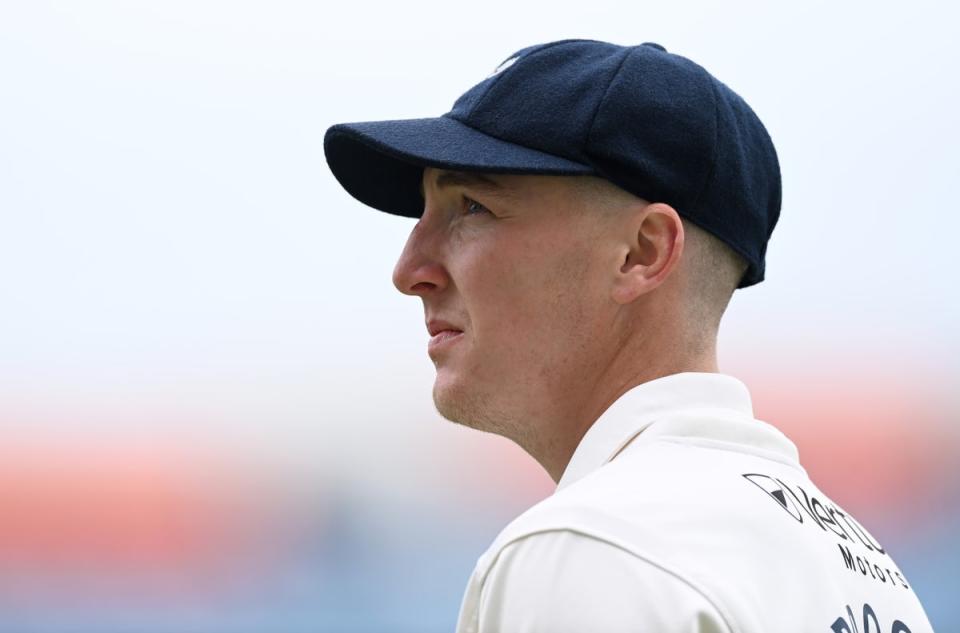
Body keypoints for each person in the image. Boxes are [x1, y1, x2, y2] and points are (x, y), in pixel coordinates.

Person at [324, 39, 934, 633]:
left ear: (641, 252)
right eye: (425, 215)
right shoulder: (865, 572)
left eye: (473, 207)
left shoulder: (595, 545)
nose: (409, 272)